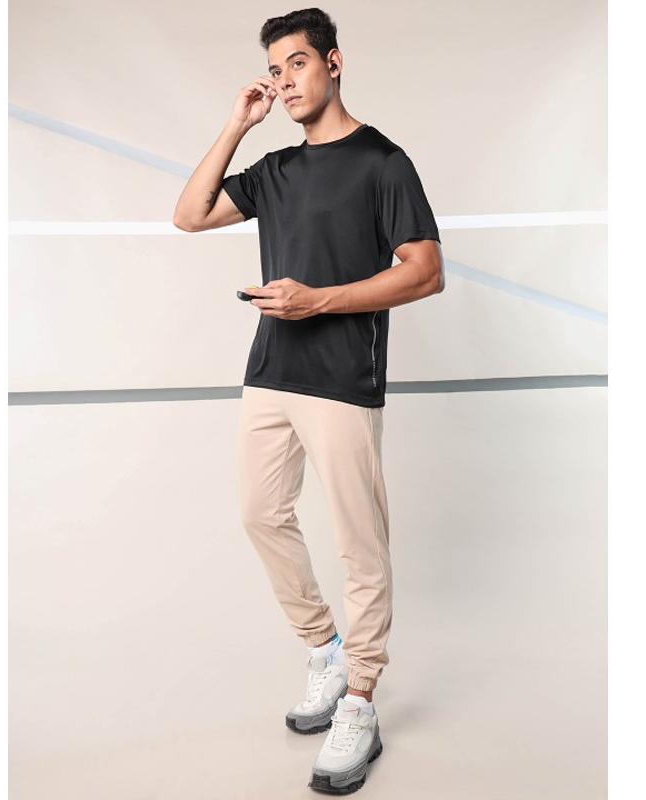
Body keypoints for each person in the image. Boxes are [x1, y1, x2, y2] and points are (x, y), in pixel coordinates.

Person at [173, 7, 444, 794]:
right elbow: (189, 215)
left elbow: (425, 271)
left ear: (334, 63)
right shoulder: (277, 169)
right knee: (260, 514)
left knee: (360, 543)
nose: (285, 80)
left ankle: (360, 698)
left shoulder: (383, 161)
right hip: (271, 371)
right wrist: (237, 124)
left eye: (297, 63)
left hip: (341, 377)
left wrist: (318, 301)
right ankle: (324, 651)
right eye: (275, 69)